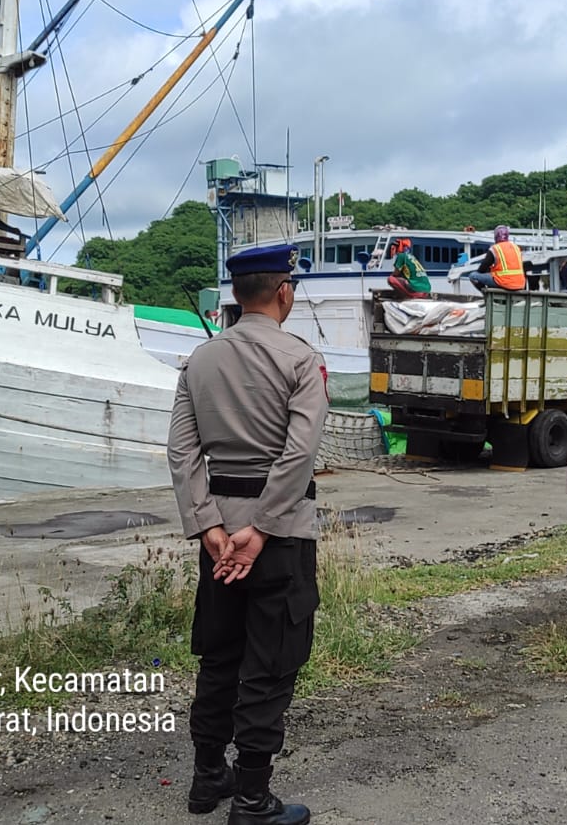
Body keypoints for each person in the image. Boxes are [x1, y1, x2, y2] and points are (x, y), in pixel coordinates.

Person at [167, 243, 327, 825]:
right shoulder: (300, 361)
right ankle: (254, 802)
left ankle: (208, 776)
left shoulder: (200, 360)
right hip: (279, 532)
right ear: (284, 291)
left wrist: (209, 524)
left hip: (220, 533)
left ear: (237, 294)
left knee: (219, 654)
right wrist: (261, 528)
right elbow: (299, 453)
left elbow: (182, 452)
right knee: (270, 660)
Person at [467, 226, 526, 292]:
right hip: (520, 284)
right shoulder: (516, 247)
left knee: (473, 276)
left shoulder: (495, 248)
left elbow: (483, 267)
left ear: (496, 236)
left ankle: (487, 295)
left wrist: (482, 272)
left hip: (504, 282)